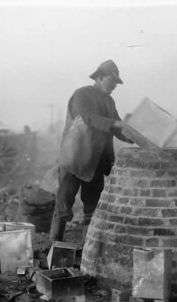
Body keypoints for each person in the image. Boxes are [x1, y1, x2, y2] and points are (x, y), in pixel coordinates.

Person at [49, 60, 134, 243]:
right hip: (75, 160)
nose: (114, 86)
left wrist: (134, 136)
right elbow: (88, 118)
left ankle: (86, 255)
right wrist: (115, 123)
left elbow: (117, 128)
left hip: (96, 163)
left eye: (117, 83)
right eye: (112, 81)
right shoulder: (82, 95)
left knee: (92, 211)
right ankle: (53, 249)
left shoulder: (110, 101)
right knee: (63, 208)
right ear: (100, 76)